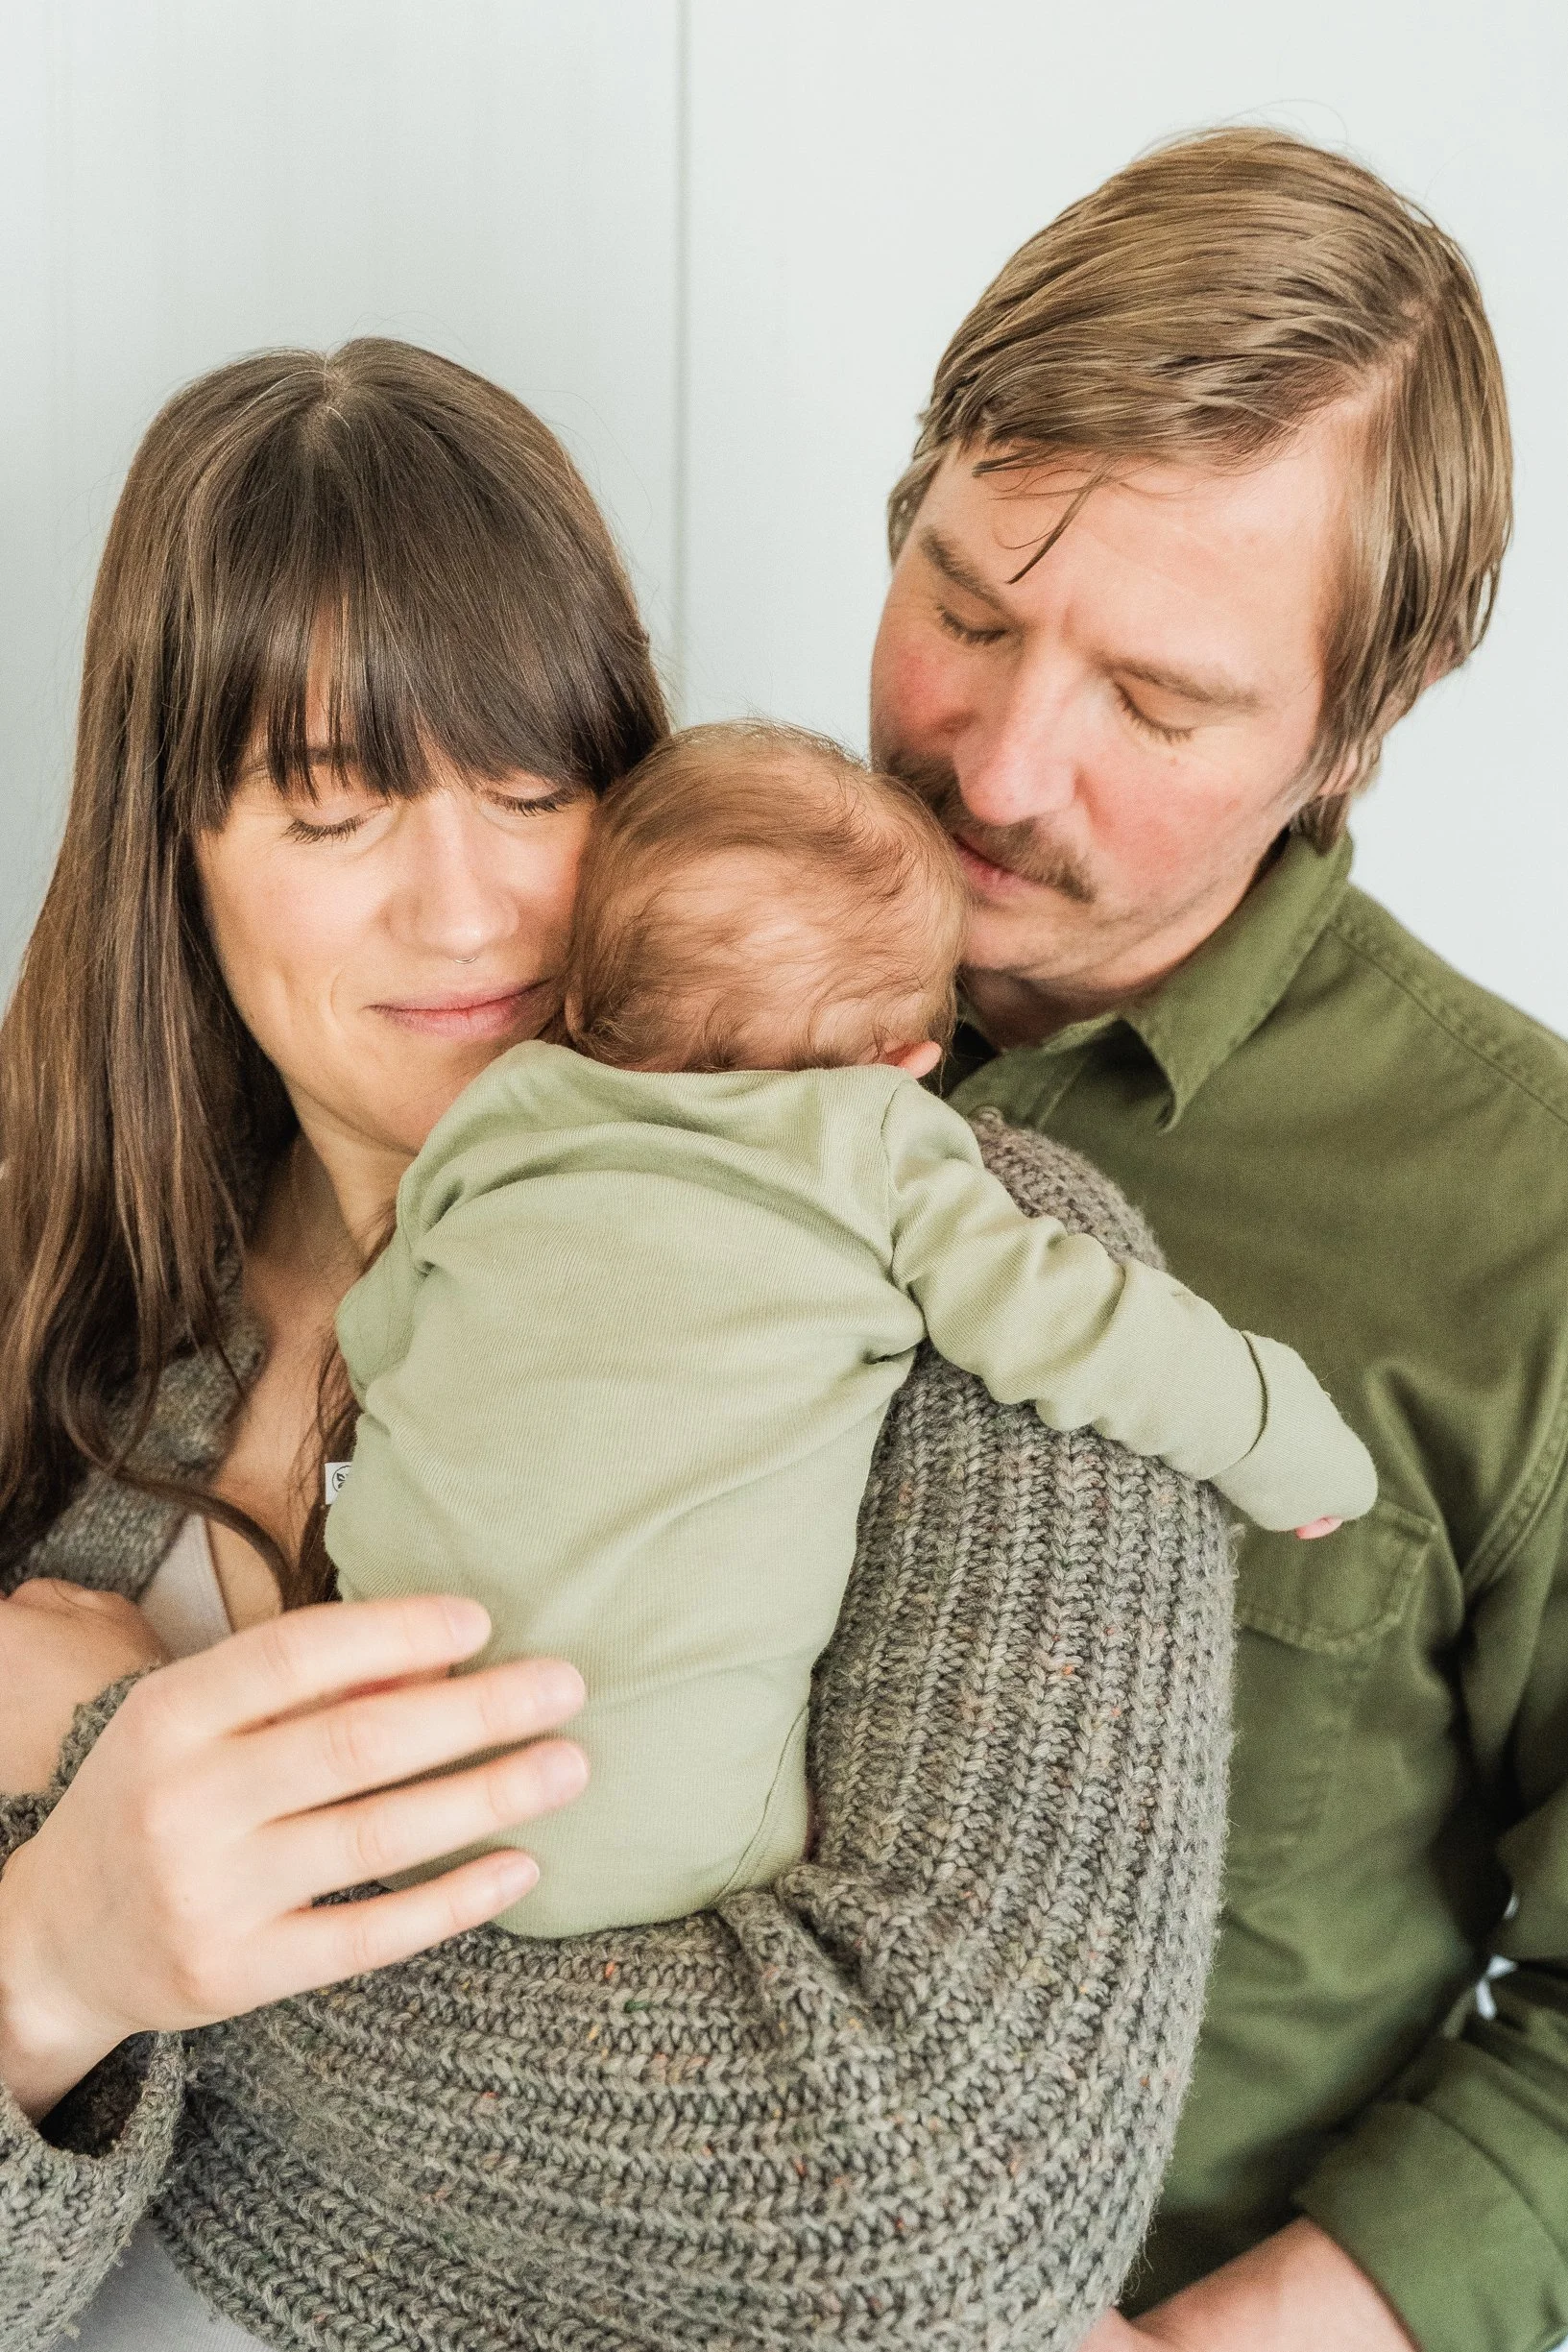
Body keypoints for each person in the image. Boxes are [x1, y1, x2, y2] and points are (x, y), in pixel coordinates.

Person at [0, 339, 1234, 2351]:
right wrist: (46, 1971)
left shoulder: (980, 1280)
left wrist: (81, 1815)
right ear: (179, 849)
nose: (470, 909)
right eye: (333, 809)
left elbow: (943, 2217)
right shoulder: (70, 1295)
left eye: (533, 784)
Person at [868, 127, 1568, 2352]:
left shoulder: (1522, 1219)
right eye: (966, 608)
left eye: (1157, 702)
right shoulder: (598, 952)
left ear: (1362, 725)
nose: (993, 762)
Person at [326, 720, 1373, 1940]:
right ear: (907, 1059)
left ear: (578, 998)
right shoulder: (871, 1141)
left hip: (378, 1776)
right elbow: (1071, 1323)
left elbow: (379, 1338)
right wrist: (1272, 1425)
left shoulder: (500, 1116)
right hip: (662, 1839)